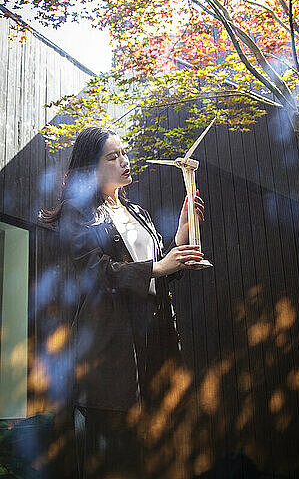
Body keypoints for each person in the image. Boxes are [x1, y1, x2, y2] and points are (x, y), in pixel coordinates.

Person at [39, 126, 205, 479]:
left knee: (155, 455)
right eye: (112, 157)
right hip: (110, 354)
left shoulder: (138, 213)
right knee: (115, 463)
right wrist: (158, 266)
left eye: (124, 153)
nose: (124, 162)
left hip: (153, 345)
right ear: (90, 168)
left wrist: (182, 233)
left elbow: (158, 265)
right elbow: (99, 273)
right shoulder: (77, 213)